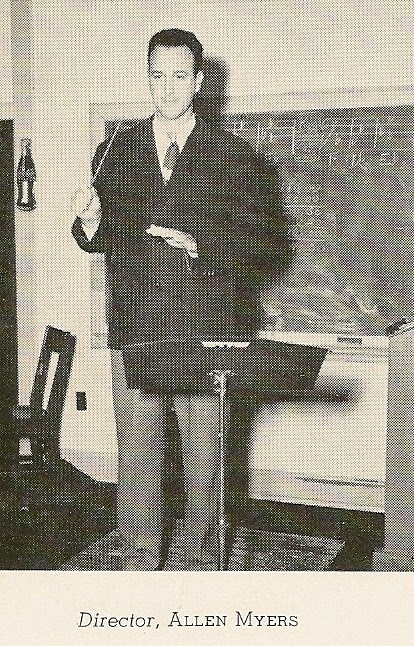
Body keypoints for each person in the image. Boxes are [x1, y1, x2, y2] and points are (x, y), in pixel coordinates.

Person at [71, 28, 292, 570]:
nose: (167, 88)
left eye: (179, 76)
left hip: (205, 332)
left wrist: (203, 245)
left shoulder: (232, 155)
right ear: (147, 80)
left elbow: (265, 242)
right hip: (137, 330)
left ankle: (200, 574)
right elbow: (99, 235)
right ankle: (139, 568)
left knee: (204, 468)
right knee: (138, 466)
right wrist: (91, 221)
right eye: (157, 76)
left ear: (198, 82)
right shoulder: (117, 149)